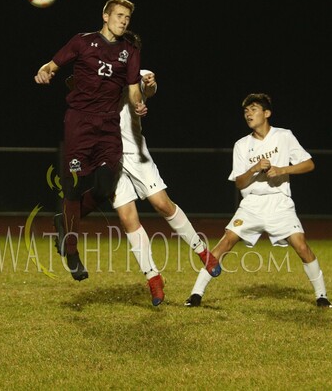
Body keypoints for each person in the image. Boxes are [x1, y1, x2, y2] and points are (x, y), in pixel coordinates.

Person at [61, 69, 222, 306]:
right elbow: (73, 85)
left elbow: (147, 89)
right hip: (109, 159)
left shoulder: (133, 72)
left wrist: (150, 84)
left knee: (162, 204)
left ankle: (202, 251)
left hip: (135, 154)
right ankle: (153, 277)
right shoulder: (98, 67)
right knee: (128, 219)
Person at [185, 93, 332, 308]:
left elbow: (309, 164)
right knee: (225, 242)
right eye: (246, 111)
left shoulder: (284, 136)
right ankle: (196, 295)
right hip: (252, 204)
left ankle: (322, 297)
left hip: (279, 202)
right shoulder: (241, 145)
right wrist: (254, 168)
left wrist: (283, 169)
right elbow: (239, 183)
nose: (248, 114)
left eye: (253, 109)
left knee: (301, 247)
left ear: (267, 113)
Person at [34, 0, 147, 281]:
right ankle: (72, 251)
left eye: (127, 18)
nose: (123, 21)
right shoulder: (82, 42)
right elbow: (52, 65)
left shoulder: (129, 51)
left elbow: (133, 88)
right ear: (105, 15)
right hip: (80, 122)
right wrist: (44, 71)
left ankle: (63, 220)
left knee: (106, 184)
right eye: (119, 15)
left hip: (109, 126)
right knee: (73, 187)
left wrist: (138, 103)